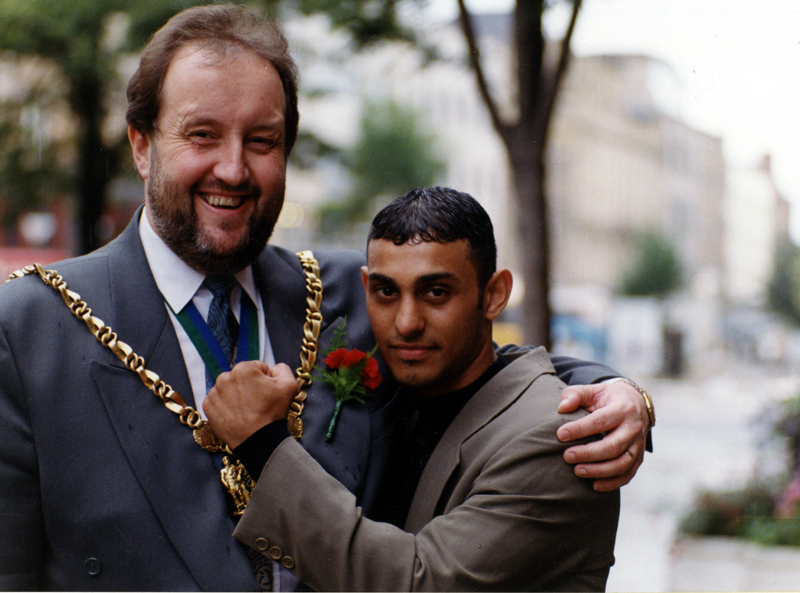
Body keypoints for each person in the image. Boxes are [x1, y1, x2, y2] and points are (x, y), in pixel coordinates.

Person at [0, 4, 649, 591]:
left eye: (262, 141)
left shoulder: (349, 293)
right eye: (202, 135)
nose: (233, 169)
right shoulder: (30, 327)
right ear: (142, 146)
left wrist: (616, 390)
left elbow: (478, 359)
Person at [205, 187, 620, 591]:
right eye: (386, 291)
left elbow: (420, 582)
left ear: (494, 295)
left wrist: (264, 446)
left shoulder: (555, 438)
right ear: (366, 289)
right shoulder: (408, 389)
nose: (406, 323)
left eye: (436, 293)